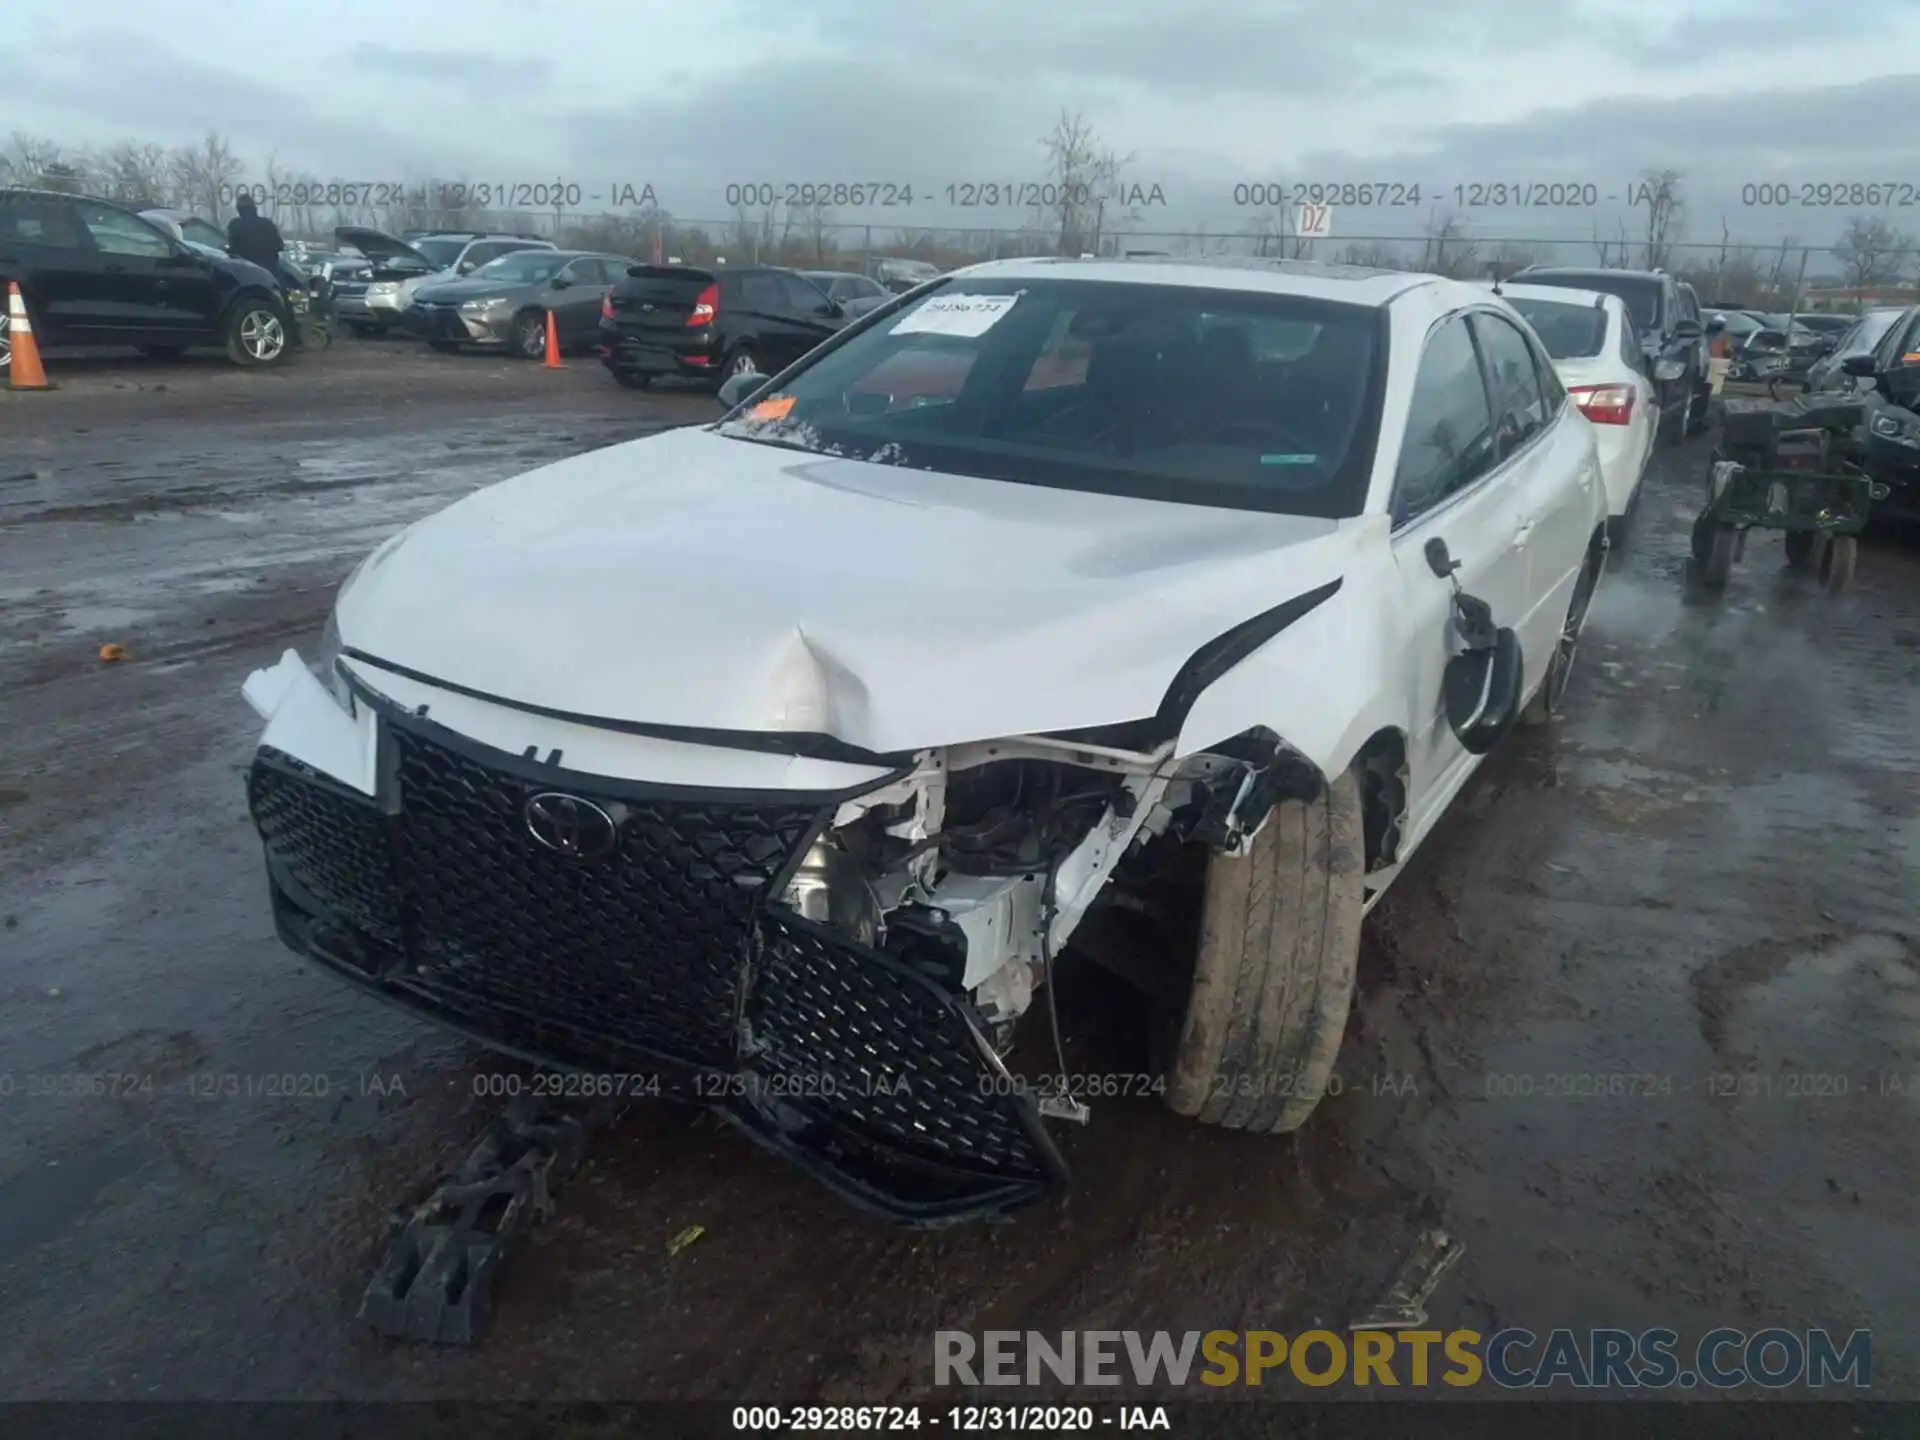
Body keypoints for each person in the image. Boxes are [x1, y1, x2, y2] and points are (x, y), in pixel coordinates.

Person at [226, 193, 284, 274]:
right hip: (270, 274)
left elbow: (232, 250)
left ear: (239, 209)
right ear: (254, 207)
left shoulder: (234, 225)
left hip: (245, 275)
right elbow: (280, 246)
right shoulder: (268, 224)